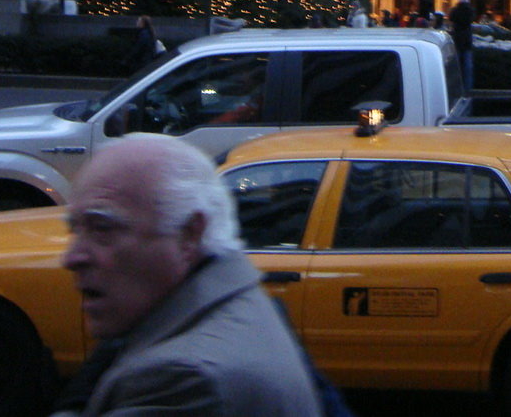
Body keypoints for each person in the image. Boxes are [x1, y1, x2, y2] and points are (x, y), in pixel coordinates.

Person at [52, 135, 325, 417]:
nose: (72, 258)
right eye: (75, 229)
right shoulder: (231, 301)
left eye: (102, 228)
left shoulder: (185, 378)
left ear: (189, 234)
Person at [447, 0, 476, 90]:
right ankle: (467, 88)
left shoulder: (455, 10)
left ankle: (456, 87)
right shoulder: (470, 11)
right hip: (467, 41)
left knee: (457, 66)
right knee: (468, 67)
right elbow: (471, 19)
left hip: (457, 40)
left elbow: (451, 18)